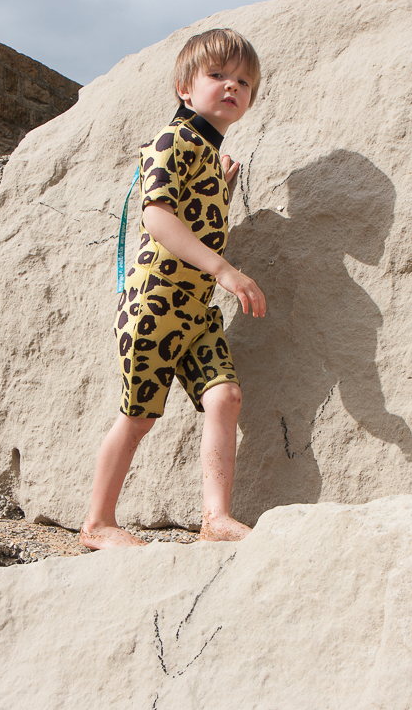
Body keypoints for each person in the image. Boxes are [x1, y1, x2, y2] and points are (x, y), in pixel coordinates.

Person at [80, 29, 266, 549]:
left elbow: (191, 209)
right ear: (185, 89)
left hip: (194, 310)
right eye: (218, 76)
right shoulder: (172, 140)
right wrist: (225, 270)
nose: (233, 87)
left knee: (225, 397)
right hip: (154, 302)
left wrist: (220, 187)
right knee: (137, 416)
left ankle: (216, 517)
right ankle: (97, 522)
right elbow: (158, 218)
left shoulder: (206, 152)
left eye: (244, 82)